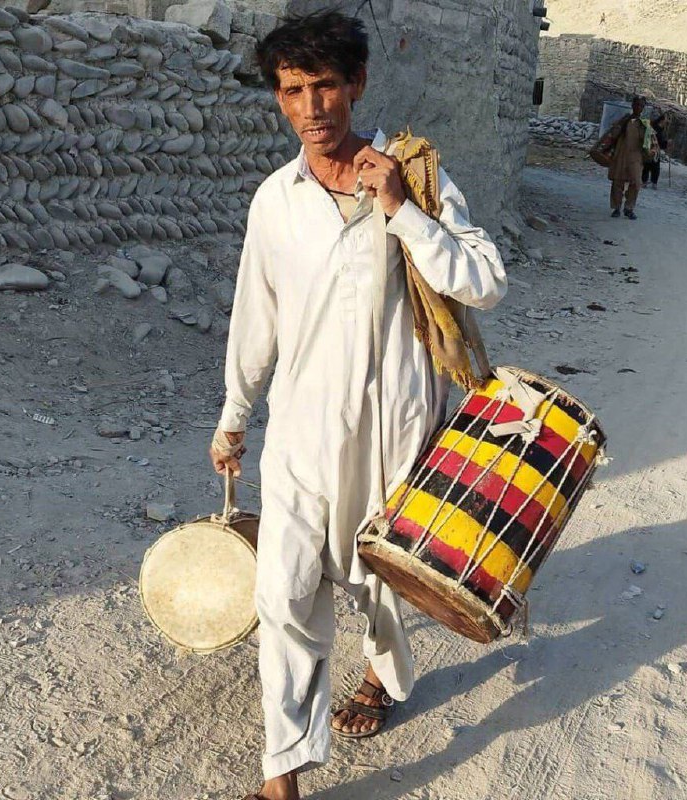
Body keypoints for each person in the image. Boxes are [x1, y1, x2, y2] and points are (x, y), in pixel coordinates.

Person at [209, 11, 507, 800]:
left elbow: (483, 281)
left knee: (379, 585)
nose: (312, 107)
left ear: (358, 84)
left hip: (396, 429)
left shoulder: (414, 177)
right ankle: (284, 772)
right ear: (278, 99)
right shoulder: (275, 200)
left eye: (326, 85)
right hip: (302, 433)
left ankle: (380, 678)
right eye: (293, 90)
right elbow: (255, 316)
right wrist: (234, 414)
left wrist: (403, 211)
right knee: (283, 593)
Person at [607, 95, 656, 220]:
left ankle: (629, 208)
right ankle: (616, 207)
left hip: (636, 157)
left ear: (643, 108)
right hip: (621, 155)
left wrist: (651, 150)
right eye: (636, 105)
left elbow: (649, 142)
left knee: (636, 182)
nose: (638, 107)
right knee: (618, 182)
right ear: (632, 105)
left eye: (641, 105)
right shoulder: (624, 120)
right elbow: (613, 135)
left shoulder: (645, 124)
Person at [642, 113, 670, 189]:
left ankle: (650, 182)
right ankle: (646, 182)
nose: (667, 121)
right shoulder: (655, 128)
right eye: (666, 120)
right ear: (662, 120)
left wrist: (666, 144)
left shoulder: (660, 129)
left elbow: (660, 143)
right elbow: (658, 142)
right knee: (649, 166)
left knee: (652, 167)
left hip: (654, 150)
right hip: (651, 149)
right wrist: (666, 143)